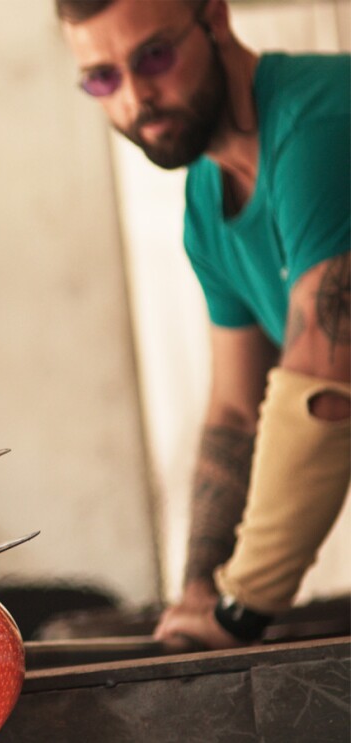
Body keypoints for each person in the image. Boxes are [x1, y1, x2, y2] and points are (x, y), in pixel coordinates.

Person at [56, 0, 349, 650]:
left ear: (213, 18)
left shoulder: (320, 120)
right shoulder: (205, 208)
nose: (137, 97)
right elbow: (233, 413)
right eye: (103, 78)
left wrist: (240, 606)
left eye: (154, 57)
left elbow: (324, 385)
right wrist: (196, 590)